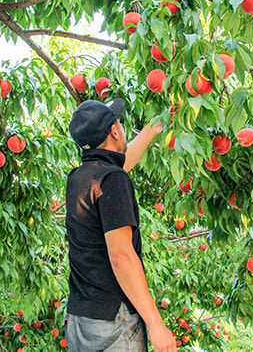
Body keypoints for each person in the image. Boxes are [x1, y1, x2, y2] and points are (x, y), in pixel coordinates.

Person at [65, 98, 176, 352]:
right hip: (113, 322)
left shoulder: (81, 177)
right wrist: (156, 325)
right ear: (115, 131)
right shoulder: (112, 180)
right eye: (119, 122)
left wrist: (153, 128)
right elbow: (121, 256)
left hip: (81, 319)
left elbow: (119, 164)